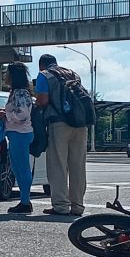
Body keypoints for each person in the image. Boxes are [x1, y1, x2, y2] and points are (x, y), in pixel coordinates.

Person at [35, 54, 87, 216]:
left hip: (58, 123)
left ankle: (61, 206)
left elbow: (43, 100)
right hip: (80, 123)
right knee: (78, 165)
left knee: (58, 165)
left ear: (41, 65)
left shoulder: (44, 75)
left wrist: (36, 106)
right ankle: (77, 205)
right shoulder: (73, 74)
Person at [0, 62, 35, 214]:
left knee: (21, 168)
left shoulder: (20, 93)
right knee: (17, 167)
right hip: (19, 133)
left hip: (20, 133)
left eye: (7, 73)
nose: (5, 75)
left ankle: (25, 201)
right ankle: (24, 200)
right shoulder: (20, 92)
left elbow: (23, 114)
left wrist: (5, 115)